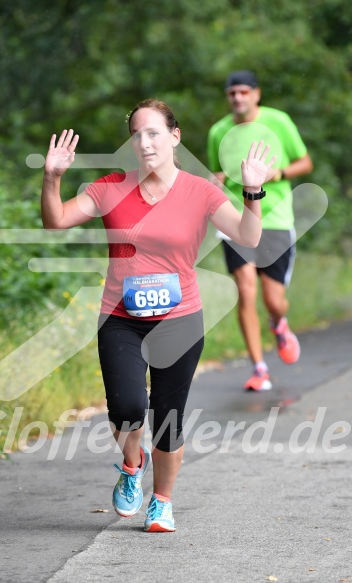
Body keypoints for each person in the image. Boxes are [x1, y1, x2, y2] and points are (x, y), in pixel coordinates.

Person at [41, 98, 275, 532]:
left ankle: (162, 502)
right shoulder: (109, 187)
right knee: (127, 408)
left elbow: (247, 235)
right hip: (121, 316)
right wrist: (53, 178)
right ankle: (133, 465)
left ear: (174, 136)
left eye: (153, 133)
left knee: (168, 419)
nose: (145, 142)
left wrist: (252, 192)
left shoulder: (201, 190)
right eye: (137, 134)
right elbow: (55, 221)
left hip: (180, 318)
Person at [207, 70, 313, 392]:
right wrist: (216, 181)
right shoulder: (218, 132)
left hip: (276, 219)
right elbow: (217, 171)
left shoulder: (278, 121)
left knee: (273, 299)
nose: (237, 98)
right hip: (237, 219)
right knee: (246, 290)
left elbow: (305, 162)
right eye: (231, 93)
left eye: (243, 92)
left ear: (256, 94)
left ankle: (278, 323)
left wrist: (277, 173)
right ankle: (259, 368)